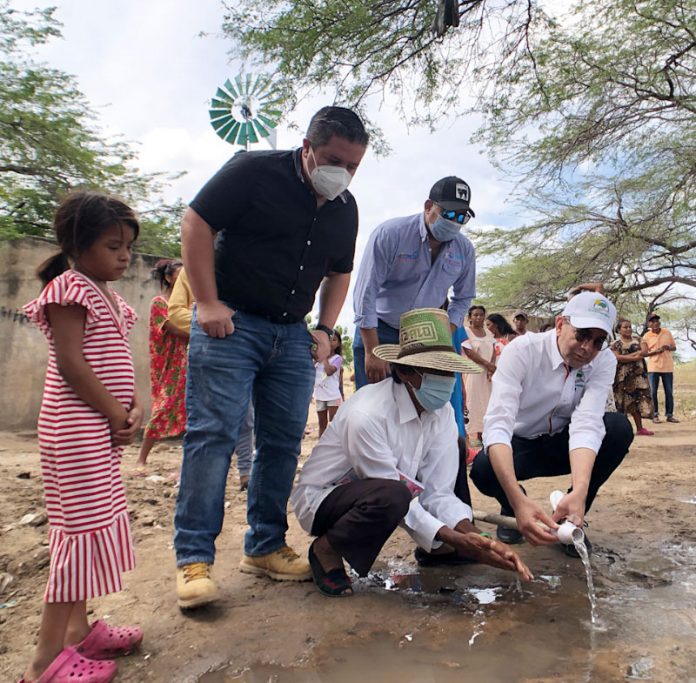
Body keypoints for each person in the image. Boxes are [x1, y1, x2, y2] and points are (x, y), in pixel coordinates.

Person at [174, 106, 369, 609]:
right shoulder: (252, 171)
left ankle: (263, 546)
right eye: (332, 160)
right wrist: (208, 301)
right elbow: (195, 220)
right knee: (213, 437)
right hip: (231, 324)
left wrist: (326, 328)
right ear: (307, 147)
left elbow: (340, 272)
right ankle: (194, 560)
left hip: (292, 335)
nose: (341, 173)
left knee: (282, 442)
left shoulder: (345, 207)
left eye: (352, 165)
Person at [291, 308, 532, 597]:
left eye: (450, 371)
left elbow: (437, 491)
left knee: (448, 451)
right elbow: (395, 492)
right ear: (404, 372)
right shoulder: (367, 415)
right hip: (324, 498)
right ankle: (325, 550)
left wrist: (475, 536)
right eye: (437, 371)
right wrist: (453, 536)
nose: (447, 381)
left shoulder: (440, 411)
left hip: (384, 492)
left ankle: (440, 547)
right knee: (393, 496)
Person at [20, 191, 144, 683]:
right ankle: (43, 663)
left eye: (129, 247)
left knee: (90, 527)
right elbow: (72, 364)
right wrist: (117, 410)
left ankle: (80, 633)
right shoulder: (69, 289)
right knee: (78, 535)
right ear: (78, 244)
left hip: (96, 430)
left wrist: (130, 407)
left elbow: (113, 362)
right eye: (113, 246)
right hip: (74, 431)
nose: (125, 256)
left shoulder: (108, 296)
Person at [470, 291, 633, 557]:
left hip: (564, 442)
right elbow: (498, 425)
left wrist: (580, 490)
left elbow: (587, 424)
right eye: (581, 335)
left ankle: (572, 518)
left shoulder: (604, 360)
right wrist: (517, 498)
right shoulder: (522, 351)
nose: (587, 348)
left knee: (617, 429)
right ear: (560, 325)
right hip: (520, 445)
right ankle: (512, 506)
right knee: (483, 468)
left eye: (598, 341)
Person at [352, 176, 476, 389]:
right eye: (449, 214)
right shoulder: (391, 235)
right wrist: (373, 351)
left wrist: (444, 333)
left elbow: (463, 297)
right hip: (379, 331)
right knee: (373, 407)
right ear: (428, 207)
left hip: (424, 339)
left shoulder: (464, 250)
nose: (455, 222)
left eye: (462, 217)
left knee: (416, 409)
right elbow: (365, 294)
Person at [167, 267, 255, 489]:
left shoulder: (248, 263)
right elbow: (175, 314)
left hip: (245, 353)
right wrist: (209, 317)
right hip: (210, 353)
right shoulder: (191, 270)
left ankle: (246, 473)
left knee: (246, 417)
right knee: (209, 425)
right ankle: (203, 485)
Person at [136, 259, 188, 467]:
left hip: (189, 360)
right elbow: (172, 328)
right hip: (171, 364)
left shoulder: (190, 303)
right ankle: (141, 458)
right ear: (168, 277)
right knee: (163, 407)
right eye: (180, 273)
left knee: (193, 409)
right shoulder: (160, 303)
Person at [611, 320, 654, 436]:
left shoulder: (639, 339)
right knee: (622, 401)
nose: (629, 329)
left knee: (638, 400)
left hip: (638, 377)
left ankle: (640, 428)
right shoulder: (615, 343)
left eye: (630, 326)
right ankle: (621, 429)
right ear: (619, 330)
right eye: (625, 327)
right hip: (622, 377)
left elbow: (644, 352)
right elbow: (617, 358)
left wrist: (628, 357)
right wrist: (634, 357)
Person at [461, 305, 496, 442]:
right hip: (474, 373)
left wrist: (491, 367)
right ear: (470, 317)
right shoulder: (466, 332)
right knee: (473, 403)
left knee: (487, 403)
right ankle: (470, 438)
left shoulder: (489, 333)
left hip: (488, 375)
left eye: (481, 314)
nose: (478, 317)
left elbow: (493, 351)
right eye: (475, 315)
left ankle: (484, 437)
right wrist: (487, 365)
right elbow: (469, 353)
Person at [642, 313, 679, 423]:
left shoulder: (667, 332)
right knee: (653, 392)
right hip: (653, 367)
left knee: (669, 392)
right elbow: (644, 353)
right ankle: (655, 415)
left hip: (667, 367)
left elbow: (674, 347)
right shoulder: (646, 336)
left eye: (657, 320)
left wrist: (668, 347)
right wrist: (655, 351)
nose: (655, 323)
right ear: (649, 324)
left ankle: (669, 415)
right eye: (652, 321)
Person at [313, 331, 344, 437]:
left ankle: (334, 448)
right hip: (319, 395)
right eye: (328, 340)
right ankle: (320, 447)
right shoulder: (317, 359)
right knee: (322, 424)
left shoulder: (337, 359)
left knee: (333, 424)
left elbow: (329, 371)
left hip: (332, 395)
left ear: (339, 344)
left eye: (334, 340)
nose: (330, 342)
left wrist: (324, 356)